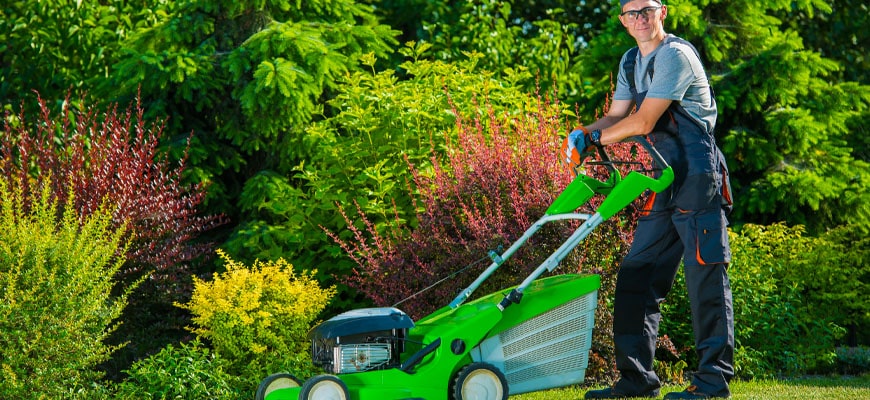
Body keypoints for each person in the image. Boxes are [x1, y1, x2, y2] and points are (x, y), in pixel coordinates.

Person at [565, 0, 734, 399]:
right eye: (631, 12)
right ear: (623, 22)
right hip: (664, 178)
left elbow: (642, 121)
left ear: (663, 13)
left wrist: (594, 141)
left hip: (699, 177)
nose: (639, 17)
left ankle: (712, 384)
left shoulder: (675, 55)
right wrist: (581, 133)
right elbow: (615, 115)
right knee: (638, 273)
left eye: (647, 9)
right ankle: (636, 378)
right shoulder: (629, 62)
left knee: (704, 277)